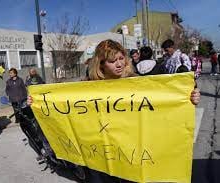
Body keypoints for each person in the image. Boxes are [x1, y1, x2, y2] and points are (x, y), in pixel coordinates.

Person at [27, 39, 200, 182]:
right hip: (100, 159)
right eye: (112, 61)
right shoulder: (86, 88)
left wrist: (189, 97)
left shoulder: (138, 84)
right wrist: (37, 102)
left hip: (132, 156)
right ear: (101, 65)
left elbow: (164, 106)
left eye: (121, 58)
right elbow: (61, 105)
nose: (119, 64)